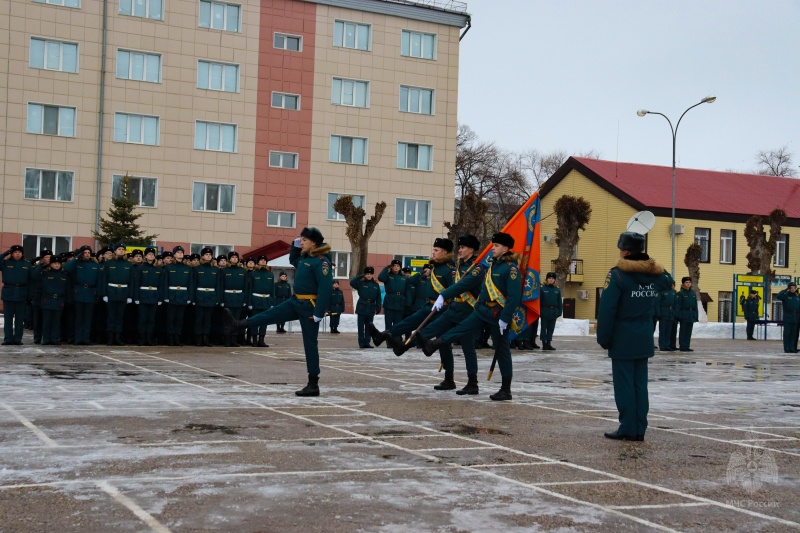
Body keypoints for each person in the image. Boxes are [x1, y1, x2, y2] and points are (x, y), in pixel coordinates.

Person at [224, 227, 333, 396]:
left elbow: (326, 288)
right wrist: (295, 245)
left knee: (310, 344)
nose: (301, 242)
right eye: (301, 240)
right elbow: (293, 258)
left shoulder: (321, 261)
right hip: (295, 301)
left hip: (309, 306)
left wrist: (319, 312)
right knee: (270, 314)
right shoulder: (304, 258)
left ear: (314, 243)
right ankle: (239, 324)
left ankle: (313, 384)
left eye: (304, 240)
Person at [419, 232, 521, 401]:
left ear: (505, 248)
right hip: (482, 310)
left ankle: (505, 389)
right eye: (493, 245)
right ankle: (436, 343)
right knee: (462, 328)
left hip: (498, 314)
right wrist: (479, 304)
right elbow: (485, 290)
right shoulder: (493, 265)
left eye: (496, 246)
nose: (492, 248)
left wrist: (505, 317)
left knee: (501, 350)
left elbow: (514, 297)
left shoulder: (510, 269)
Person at [597, 232, 672, 442]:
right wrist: (653, 263)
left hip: (622, 337)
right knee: (640, 385)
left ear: (626, 251)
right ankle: (640, 427)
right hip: (644, 335)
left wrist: (604, 337)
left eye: (621, 249)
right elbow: (669, 280)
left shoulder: (618, 275)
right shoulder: (654, 275)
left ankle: (628, 427)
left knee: (624, 385)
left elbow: (607, 309)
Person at [417, 234, 482, 393]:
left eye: (463, 247)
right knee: (438, 334)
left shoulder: (476, 268)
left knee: (468, 348)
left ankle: (472, 383)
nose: (459, 250)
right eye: (459, 247)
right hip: (455, 309)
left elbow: (462, 287)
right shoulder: (461, 266)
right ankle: (448, 378)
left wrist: (444, 295)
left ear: (471, 250)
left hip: (468, 311)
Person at [369, 239, 455, 353]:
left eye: (436, 250)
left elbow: (454, 291)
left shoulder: (450, 270)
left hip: (442, 309)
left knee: (442, 345)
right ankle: (383, 335)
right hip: (429, 305)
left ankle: (449, 370)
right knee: (409, 322)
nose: (433, 252)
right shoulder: (433, 267)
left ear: (444, 253)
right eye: (433, 249)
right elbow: (412, 282)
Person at [64, 246, 102, 345]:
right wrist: (76, 258)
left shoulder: (95, 266)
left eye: (89, 252)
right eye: (85, 252)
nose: (87, 254)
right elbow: (66, 268)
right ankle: (78, 338)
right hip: (79, 292)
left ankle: (85, 338)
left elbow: (99, 281)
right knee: (79, 318)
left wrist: (97, 293)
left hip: (90, 293)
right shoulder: (76, 264)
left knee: (88, 318)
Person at [99, 244, 133, 346]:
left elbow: (131, 281)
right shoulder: (108, 264)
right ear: (115, 251)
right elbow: (104, 279)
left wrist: (130, 296)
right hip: (111, 293)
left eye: (123, 249)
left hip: (123, 292)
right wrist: (104, 294)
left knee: (120, 316)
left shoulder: (128, 265)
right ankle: (110, 338)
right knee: (111, 316)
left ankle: (118, 337)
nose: (121, 251)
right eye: (119, 249)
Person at [35, 254, 71, 345]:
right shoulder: (45, 273)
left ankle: (54, 338)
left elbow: (67, 289)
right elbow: (36, 280)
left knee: (56, 321)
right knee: (47, 321)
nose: (57, 265)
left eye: (58, 263)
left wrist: (66, 300)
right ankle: (46, 339)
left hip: (59, 300)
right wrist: (43, 265)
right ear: (50, 264)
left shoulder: (64, 274)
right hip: (47, 299)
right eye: (55, 263)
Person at [1, 245, 32, 345]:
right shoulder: (6, 263)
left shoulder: (27, 264)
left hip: (21, 293)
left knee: (19, 318)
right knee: (8, 318)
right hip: (8, 292)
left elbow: (31, 279)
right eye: (15, 252)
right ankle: (8, 338)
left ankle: (18, 338)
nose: (17, 254)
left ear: (22, 254)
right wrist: (5, 253)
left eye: (19, 252)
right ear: (12, 253)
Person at [163, 246, 194, 346]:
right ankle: (170, 338)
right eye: (178, 252)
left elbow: (190, 284)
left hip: (182, 296)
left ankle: (177, 337)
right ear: (174, 254)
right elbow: (165, 283)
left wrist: (189, 297)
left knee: (180, 319)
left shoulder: (187, 268)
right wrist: (166, 296)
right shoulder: (169, 267)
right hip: (172, 295)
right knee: (171, 318)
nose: (180, 254)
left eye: (181, 252)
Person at [192, 247, 221, 347]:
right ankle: (198, 339)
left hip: (211, 297)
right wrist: (193, 298)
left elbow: (218, 285)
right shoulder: (197, 269)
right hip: (200, 296)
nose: (208, 256)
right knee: (199, 319)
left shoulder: (216, 270)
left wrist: (217, 298)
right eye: (206, 254)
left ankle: (206, 338)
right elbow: (193, 285)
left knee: (208, 320)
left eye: (210, 254)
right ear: (203, 256)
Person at [134, 247, 163, 346]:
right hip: (143, 296)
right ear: (145, 256)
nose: (151, 255)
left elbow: (161, 285)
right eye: (149, 254)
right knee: (142, 319)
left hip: (154, 296)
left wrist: (160, 298)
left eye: (152, 254)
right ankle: (141, 338)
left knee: (151, 319)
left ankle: (149, 338)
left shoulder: (158, 269)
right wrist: (136, 298)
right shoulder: (140, 268)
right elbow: (136, 284)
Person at [350, 266, 382, 348]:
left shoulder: (375, 285)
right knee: (361, 327)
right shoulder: (361, 283)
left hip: (371, 307)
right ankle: (361, 343)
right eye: (367, 274)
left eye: (370, 274)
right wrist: (361, 276)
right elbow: (352, 282)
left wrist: (378, 308)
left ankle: (367, 342)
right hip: (362, 307)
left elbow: (378, 297)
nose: (369, 275)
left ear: (372, 275)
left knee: (369, 326)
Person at [221, 251, 248, 347]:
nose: (234, 259)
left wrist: (244, 300)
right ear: (229, 259)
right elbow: (221, 286)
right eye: (232, 257)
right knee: (227, 320)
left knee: (236, 320)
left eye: (236, 257)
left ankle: (234, 340)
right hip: (228, 298)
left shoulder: (242, 271)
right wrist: (222, 300)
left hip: (239, 298)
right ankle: (227, 340)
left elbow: (245, 287)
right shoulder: (224, 271)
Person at [247, 255, 274, 347]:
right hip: (256, 300)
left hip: (266, 300)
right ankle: (254, 339)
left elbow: (272, 289)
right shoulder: (253, 274)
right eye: (261, 260)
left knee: (265, 321)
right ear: (258, 262)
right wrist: (249, 303)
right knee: (255, 320)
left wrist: (272, 301)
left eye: (264, 260)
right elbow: (250, 289)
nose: (263, 262)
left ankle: (261, 340)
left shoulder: (270, 274)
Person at [378, 259, 410, 331]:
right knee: (388, 324)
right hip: (389, 302)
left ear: (400, 268)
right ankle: (389, 340)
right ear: (391, 267)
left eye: (398, 266)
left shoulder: (404, 278)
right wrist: (386, 268)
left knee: (398, 324)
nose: (396, 267)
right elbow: (380, 277)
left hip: (400, 303)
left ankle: (397, 340)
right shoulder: (388, 276)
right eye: (394, 266)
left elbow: (407, 291)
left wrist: (407, 304)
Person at [29, 249, 52, 344]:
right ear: (42, 259)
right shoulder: (37, 267)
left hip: (48, 296)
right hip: (38, 296)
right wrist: (41, 266)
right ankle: (37, 337)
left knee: (47, 319)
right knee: (38, 318)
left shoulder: (53, 268)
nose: (48, 259)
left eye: (50, 257)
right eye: (46, 257)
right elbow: (33, 276)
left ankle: (47, 337)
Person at [675, 276, 698, 352]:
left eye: (689, 282)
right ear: (683, 284)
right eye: (686, 282)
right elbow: (678, 305)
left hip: (691, 314)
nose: (688, 284)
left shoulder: (693, 293)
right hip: (684, 313)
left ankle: (687, 346)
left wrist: (695, 315)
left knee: (688, 332)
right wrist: (678, 315)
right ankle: (682, 346)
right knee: (683, 331)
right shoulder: (680, 294)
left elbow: (695, 305)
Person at [540, 272, 562, 350]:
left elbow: (559, 302)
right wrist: (540, 312)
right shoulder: (542, 289)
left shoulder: (557, 290)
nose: (551, 280)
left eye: (552, 278)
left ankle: (549, 343)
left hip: (553, 311)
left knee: (551, 329)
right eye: (549, 278)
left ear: (554, 280)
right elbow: (539, 301)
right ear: (547, 279)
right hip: (545, 311)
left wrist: (559, 312)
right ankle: (544, 344)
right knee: (543, 328)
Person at [776, 282, 800, 353]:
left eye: (794, 288)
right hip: (788, 317)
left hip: (796, 317)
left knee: (795, 334)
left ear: (796, 288)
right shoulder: (785, 296)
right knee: (787, 333)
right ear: (789, 289)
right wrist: (785, 290)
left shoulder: (797, 297)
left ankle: (793, 348)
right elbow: (778, 296)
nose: (793, 289)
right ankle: (787, 348)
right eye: (791, 288)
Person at [656, 281, 676, 351]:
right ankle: (662, 345)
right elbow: (658, 303)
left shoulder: (673, 292)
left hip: (671, 313)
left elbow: (675, 303)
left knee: (669, 330)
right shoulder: (662, 292)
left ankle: (667, 345)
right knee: (663, 330)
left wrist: (674, 312)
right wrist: (658, 313)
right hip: (664, 311)